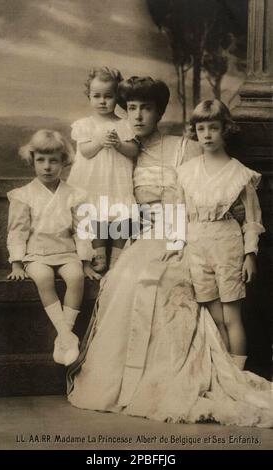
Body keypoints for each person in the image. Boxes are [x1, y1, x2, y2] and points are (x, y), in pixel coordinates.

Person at [67, 78, 273, 427]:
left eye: (146, 108)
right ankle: (133, 381)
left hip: (190, 233)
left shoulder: (183, 147)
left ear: (160, 111)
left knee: (167, 281)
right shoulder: (119, 150)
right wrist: (99, 246)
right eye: (131, 108)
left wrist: (180, 238)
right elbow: (104, 197)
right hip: (142, 234)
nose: (138, 115)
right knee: (129, 278)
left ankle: (196, 373)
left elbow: (202, 192)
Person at [178, 100, 265, 370]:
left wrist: (250, 255)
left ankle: (237, 377)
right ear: (194, 131)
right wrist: (175, 245)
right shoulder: (187, 171)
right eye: (201, 128)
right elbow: (178, 210)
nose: (206, 134)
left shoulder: (239, 174)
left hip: (227, 244)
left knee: (231, 315)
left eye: (213, 128)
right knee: (214, 314)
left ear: (225, 129)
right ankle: (224, 373)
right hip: (196, 244)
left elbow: (252, 220)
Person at [7, 130, 100, 367]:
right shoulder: (24, 195)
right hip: (36, 254)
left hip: (66, 253)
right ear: (32, 161)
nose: (47, 167)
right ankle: (67, 335)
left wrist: (86, 262)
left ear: (64, 163)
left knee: (76, 277)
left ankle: (64, 337)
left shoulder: (74, 195)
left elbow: (82, 231)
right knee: (43, 278)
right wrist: (17, 263)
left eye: (53, 160)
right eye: (41, 160)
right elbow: (17, 231)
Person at [67, 67, 139, 272]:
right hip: (94, 179)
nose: (102, 101)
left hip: (117, 179)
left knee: (122, 213)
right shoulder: (85, 125)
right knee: (95, 212)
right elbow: (86, 151)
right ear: (88, 96)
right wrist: (99, 141)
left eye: (108, 96)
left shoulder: (125, 124)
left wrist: (119, 145)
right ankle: (98, 253)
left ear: (117, 97)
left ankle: (118, 254)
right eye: (96, 96)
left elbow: (133, 150)